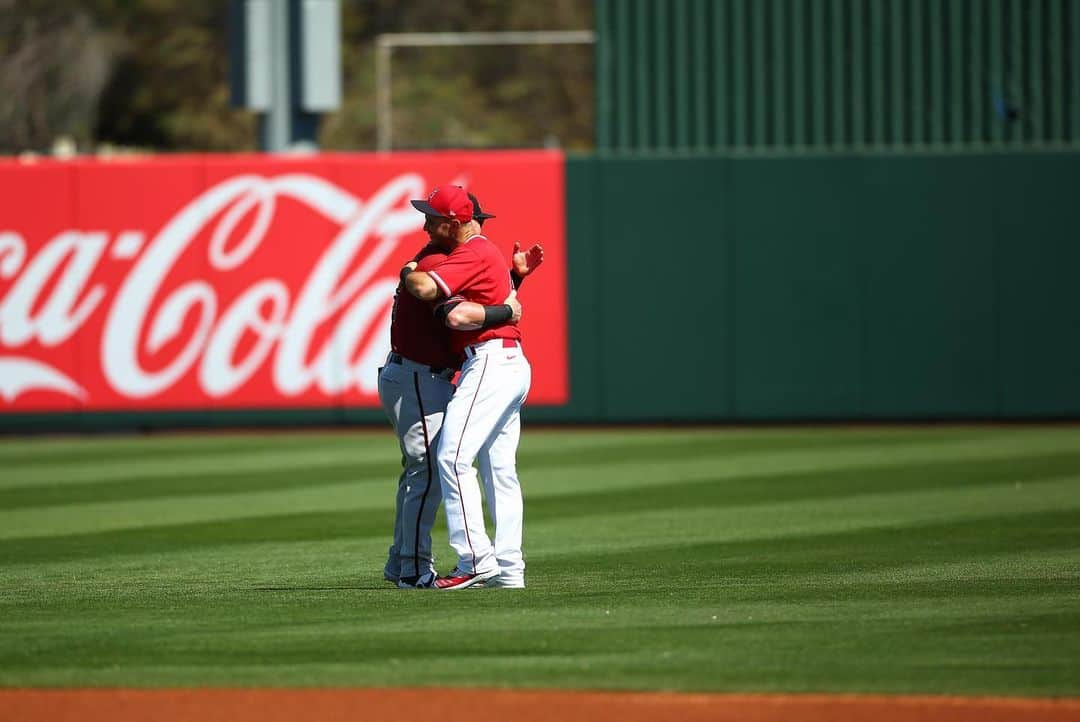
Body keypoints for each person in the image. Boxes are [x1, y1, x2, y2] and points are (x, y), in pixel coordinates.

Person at [379, 189, 542, 588]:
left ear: (454, 223)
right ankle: (507, 570)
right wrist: (511, 292)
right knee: (496, 470)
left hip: (488, 361)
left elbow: (451, 309)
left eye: (432, 218)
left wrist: (507, 293)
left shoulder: (464, 254)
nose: (424, 225)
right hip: (498, 362)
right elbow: (456, 303)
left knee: (450, 460)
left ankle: (475, 562)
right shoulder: (460, 255)